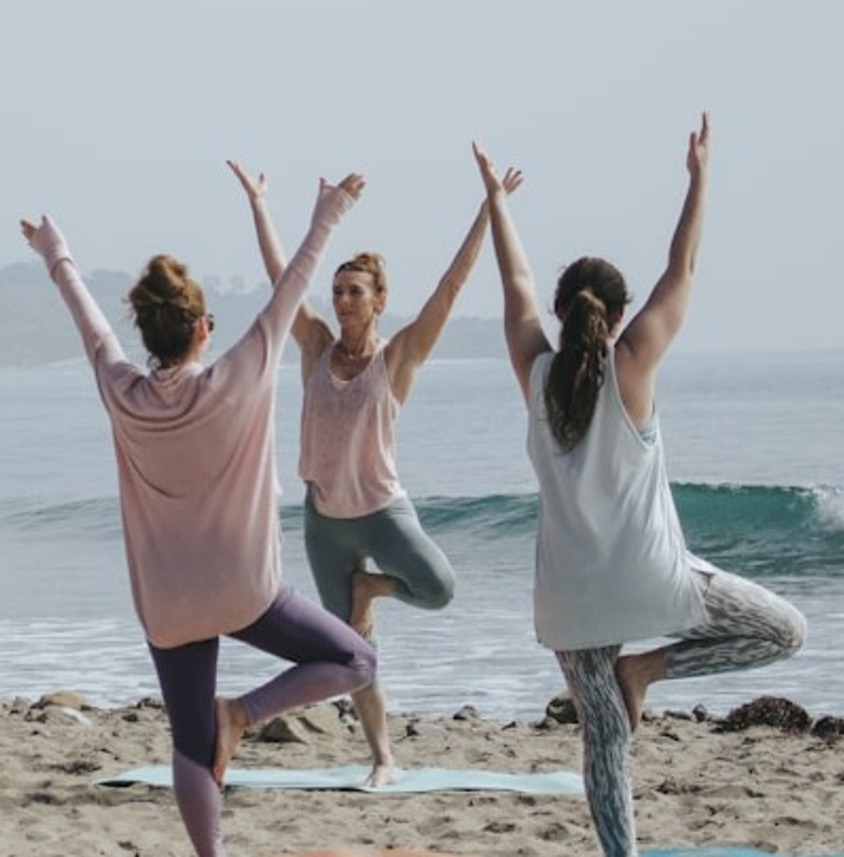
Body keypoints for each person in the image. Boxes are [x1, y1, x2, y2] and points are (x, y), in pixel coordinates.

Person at [18, 171, 377, 857]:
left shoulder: (122, 390)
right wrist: (328, 215)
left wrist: (54, 253)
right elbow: (292, 288)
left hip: (168, 604)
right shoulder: (239, 374)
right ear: (204, 328)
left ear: (149, 333)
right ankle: (242, 713)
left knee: (189, 743)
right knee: (357, 659)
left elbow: (90, 324)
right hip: (245, 589)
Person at [476, 115, 806, 857]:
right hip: (652, 580)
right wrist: (699, 179)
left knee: (604, 741)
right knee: (785, 631)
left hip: (568, 601)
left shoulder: (535, 374)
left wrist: (497, 202)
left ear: (560, 316)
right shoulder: (634, 366)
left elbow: (514, 284)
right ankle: (649, 667)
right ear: (620, 316)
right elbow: (682, 267)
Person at [227, 160, 522, 787]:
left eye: (355, 291)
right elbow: (284, 278)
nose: (341, 300)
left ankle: (373, 588)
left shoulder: (399, 358)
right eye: (337, 291)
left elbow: (450, 287)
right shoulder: (313, 345)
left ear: (379, 300)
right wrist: (258, 203)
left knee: (438, 588)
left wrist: (487, 209)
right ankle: (383, 758)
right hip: (325, 522)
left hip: (383, 513)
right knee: (354, 655)